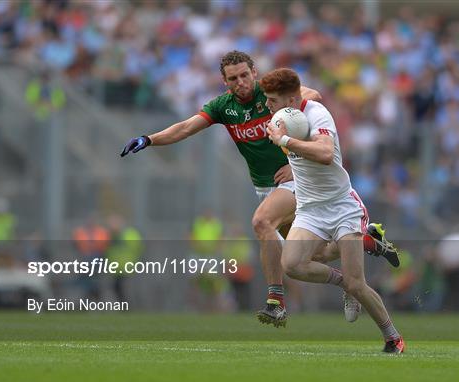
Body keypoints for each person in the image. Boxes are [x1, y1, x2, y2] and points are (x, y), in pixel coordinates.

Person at [121, 50, 399, 328]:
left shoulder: (270, 94)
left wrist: (294, 156)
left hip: (294, 183)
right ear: (225, 81)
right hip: (265, 188)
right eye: (233, 78)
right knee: (316, 254)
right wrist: (149, 139)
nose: (240, 82)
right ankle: (363, 248)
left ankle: (275, 301)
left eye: (244, 75)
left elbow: (311, 95)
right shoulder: (222, 106)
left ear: (254, 72)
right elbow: (185, 128)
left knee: (262, 221)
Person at [262, 67, 404, 353]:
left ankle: (393, 338)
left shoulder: (317, 115)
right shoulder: (284, 114)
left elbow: (326, 154)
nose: (267, 105)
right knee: (292, 265)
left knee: (356, 284)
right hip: (310, 208)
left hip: (342, 207)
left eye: (272, 100)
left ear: (290, 101)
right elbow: (308, 93)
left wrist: (285, 142)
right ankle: (366, 243)